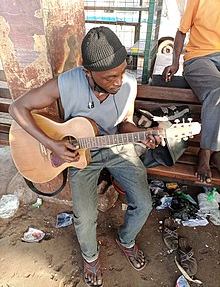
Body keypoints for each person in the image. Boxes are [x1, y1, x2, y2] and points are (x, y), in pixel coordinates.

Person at [9, 26, 164, 287]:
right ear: (87, 72)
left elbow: (125, 123)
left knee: (144, 203)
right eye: (109, 77)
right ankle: (90, 257)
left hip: (117, 148)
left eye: (122, 72)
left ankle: (125, 239)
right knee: (85, 215)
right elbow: (17, 107)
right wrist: (52, 144)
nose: (118, 81)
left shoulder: (127, 85)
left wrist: (140, 134)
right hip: (79, 154)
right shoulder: (67, 82)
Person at [162, 0, 220, 183]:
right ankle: (206, 153)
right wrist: (175, 62)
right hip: (200, 57)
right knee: (218, 91)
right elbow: (181, 31)